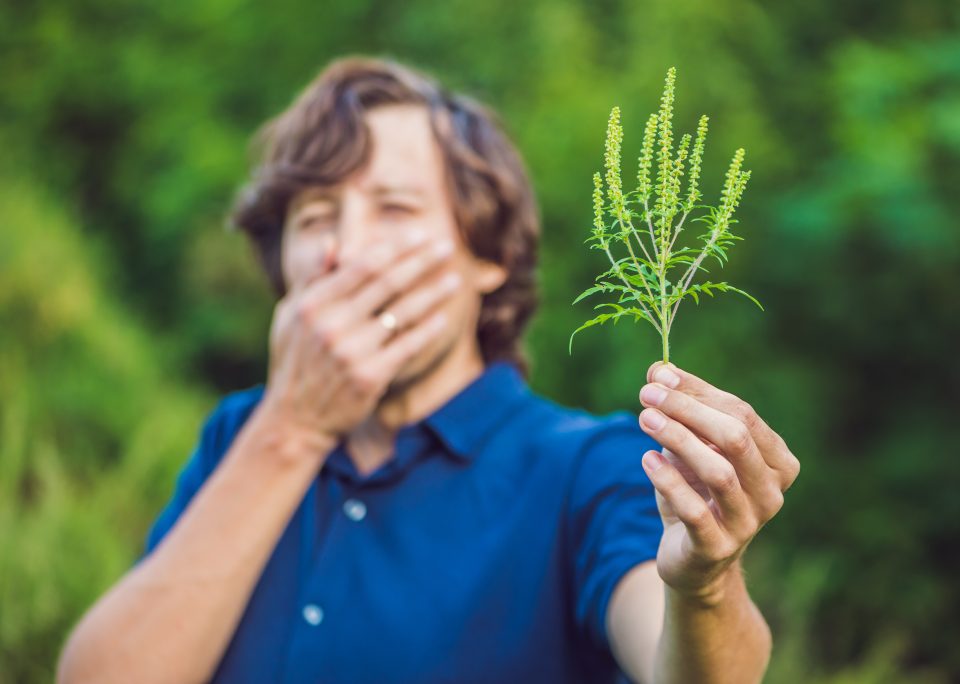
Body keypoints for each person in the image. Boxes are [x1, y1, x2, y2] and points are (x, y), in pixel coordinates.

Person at [57, 57, 799, 684]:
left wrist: (703, 586)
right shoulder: (238, 439)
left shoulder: (583, 468)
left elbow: (680, 662)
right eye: (314, 219)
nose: (343, 252)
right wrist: (291, 427)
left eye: (394, 208)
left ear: (488, 256)